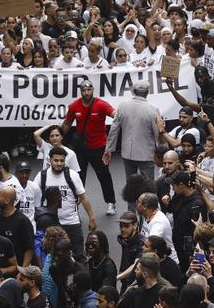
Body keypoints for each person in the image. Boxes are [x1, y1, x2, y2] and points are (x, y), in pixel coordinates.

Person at [61, 81, 116, 214]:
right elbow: (67, 123)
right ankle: (74, 205)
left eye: (89, 90)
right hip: (81, 148)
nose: (86, 93)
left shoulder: (101, 105)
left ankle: (111, 202)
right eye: (84, 90)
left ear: (93, 89)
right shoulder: (75, 106)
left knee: (104, 175)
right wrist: (58, 140)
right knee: (78, 176)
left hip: (99, 147)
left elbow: (116, 114)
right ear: (80, 91)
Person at [104, 82, 162, 179]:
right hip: (146, 154)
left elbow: (114, 129)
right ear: (147, 92)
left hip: (127, 153)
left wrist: (109, 149)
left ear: (133, 92)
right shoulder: (153, 109)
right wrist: (162, 151)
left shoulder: (122, 106)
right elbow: (158, 132)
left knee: (131, 184)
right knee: (148, 185)